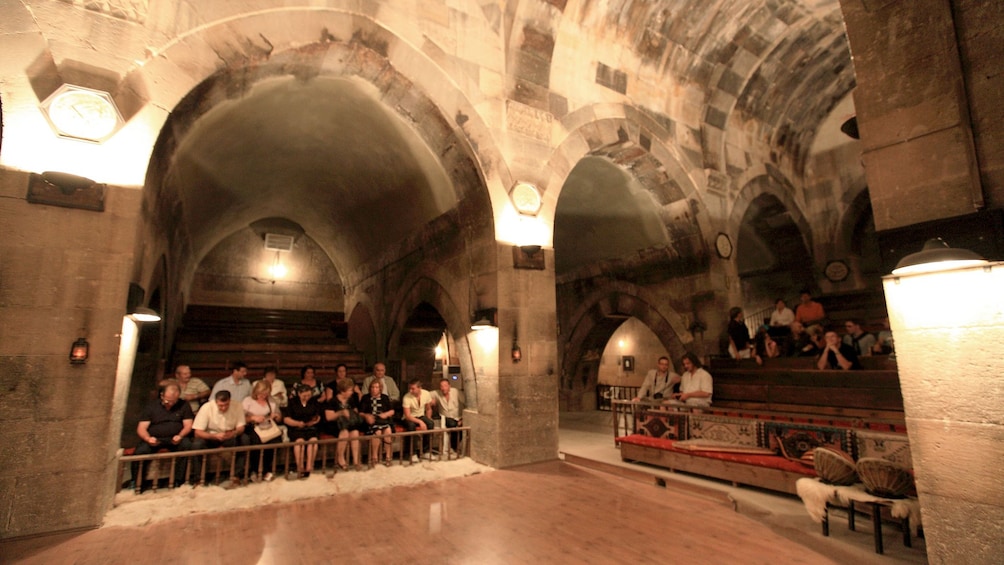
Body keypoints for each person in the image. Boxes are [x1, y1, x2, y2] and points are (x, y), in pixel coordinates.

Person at [133, 380, 193, 488]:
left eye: (173, 401)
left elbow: (188, 425)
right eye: (168, 400)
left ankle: (178, 481)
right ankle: (137, 482)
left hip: (175, 437)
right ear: (162, 395)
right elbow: (141, 428)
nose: (170, 404)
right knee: (140, 451)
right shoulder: (151, 407)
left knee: (186, 445)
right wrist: (148, 438)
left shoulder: (183, 405)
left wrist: (180, 435)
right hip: (154, 438)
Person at [191, 390, 250, 487]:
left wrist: (234, 433)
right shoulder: (207, 407)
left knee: (244, 439)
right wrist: (213, 436)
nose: (223, 408)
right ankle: (199, 479)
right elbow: (197, 432)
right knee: (197, 444)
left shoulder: (237, 405)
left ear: (229, 401)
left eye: (226, 405)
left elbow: (241, 427)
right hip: (210, 436)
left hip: (229, 435)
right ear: (216, 402)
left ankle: (237, 476)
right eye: (220, 406)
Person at [242, 380, 282, 482]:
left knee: (275, 440)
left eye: (265, 394)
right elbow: (241, 418)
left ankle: (266, 469)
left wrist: (276, 416)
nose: (263, 396)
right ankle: (256, 469)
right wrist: (252, 418)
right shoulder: (248, 401)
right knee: (256, 442)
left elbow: (279, 415)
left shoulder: (271, 400)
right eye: (261, 394)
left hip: (268, 426)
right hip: (253, 427)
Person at [324, 378, 364, 471]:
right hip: (335, 424)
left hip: (348, 423)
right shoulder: (333, 401)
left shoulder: (351, 400)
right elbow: (329, 417)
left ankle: (355, 460)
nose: (351, 392)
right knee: (344, 431)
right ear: (343, 391)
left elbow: (355, 411)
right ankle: (340, 458)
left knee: (354, 432)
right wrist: (340, 413)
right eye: (350, 390)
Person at [284, 383, 322, 478]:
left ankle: (309, 467)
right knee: (299, 442)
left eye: (309, 395)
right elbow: (286, 418)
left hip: (310, 428)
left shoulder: (313, 401)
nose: (307, 397)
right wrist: (297, 423)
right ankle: (300, 467)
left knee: (313, 441)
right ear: (299, 394)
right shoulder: (292, 402)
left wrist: (314, 421)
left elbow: (318, 416)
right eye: (304, 396)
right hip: (296, 428)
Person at [359, 379, 395, 467]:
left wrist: (385, 414)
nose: (374, 389)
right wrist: (367, 416)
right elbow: (360, 412)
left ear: (380, 388)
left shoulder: (385, 397)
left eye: (376, 387)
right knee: (377, 431)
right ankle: (374, 457)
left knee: (388, 430)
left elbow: (392, 411)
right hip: (371, 421)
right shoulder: (366, 398)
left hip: (383, 420)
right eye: (373, 387)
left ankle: (388, 457)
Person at [402, 379, 434, 463]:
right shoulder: (406, 397)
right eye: (410, 388)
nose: (410, 390)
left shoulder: (426, 393)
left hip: (421, 415)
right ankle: (412, 453)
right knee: (411, 426)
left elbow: (428, 408)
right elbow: (408, 416)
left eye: (413, 388)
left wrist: (428, 418)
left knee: (430, 423)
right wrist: (420, 422)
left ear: (419, 388)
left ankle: (426, 451)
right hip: (409, 417)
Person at [431, 378, 464, 454]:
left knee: (461, 427)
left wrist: (462, 419)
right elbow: (425, 394)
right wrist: (430, 400)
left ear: (449, 386)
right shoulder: (437, 393)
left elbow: (467, 403)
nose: (443, 388)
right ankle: (453, 448)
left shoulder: (456, 392)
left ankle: (455, 447)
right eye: (441, 386)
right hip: (446, 417)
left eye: (445, 386)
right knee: (452, 424)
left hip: (459, 417)